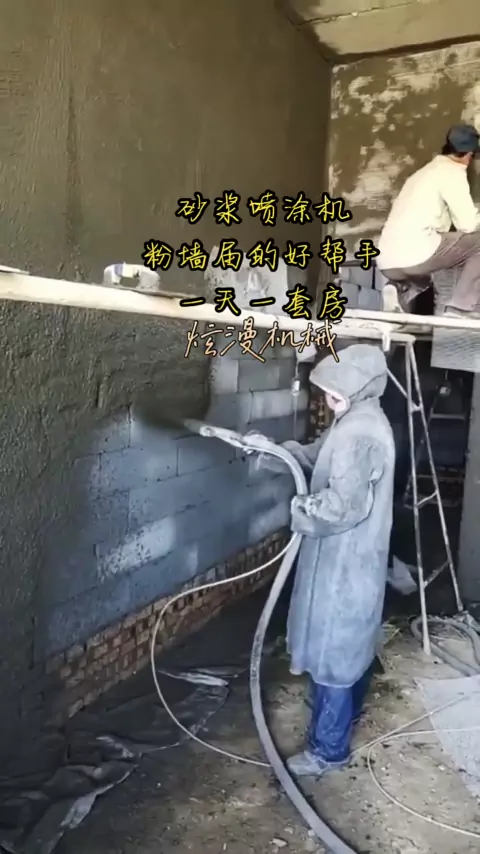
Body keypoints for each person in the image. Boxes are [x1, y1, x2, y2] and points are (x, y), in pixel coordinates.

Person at [253, 343, 395, 777]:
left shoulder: (361, 432)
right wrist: (272, 451)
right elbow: (316, 457)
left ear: (357, 387)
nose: (328, 398)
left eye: (334, 391)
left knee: (335, 655)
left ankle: (328, 751)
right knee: (346, 651)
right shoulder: (354, 419)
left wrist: (299, 508)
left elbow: (341, 507)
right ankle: (341, 721)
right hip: (340, 560)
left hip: (345, 563)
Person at [377, 124, 480, 318]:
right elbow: (467, 225)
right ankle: (459, 308)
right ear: (469, 155)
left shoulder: (423, 172)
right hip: (416, 255)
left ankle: (396, 290)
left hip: (386, 261)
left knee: (423, 278)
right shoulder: (452, 172)